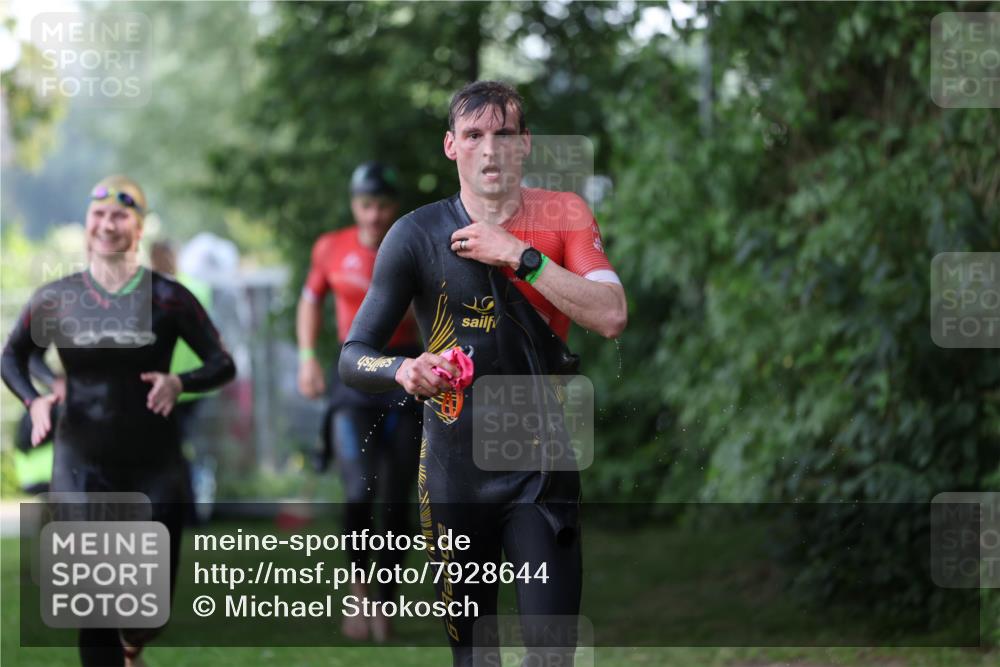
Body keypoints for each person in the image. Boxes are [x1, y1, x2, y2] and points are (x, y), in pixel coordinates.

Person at [338, 81, 627, 666]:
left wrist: (518, 256)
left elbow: (612, 315)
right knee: (477, 658)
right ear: (452, 146)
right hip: (454, 469)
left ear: (525, 144)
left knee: (551, 655)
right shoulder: (415, 235)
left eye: (503, 134)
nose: (489, 150)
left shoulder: (563, 215)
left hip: (542, 463)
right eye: (473, 135)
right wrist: (403, 370)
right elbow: (353, 355)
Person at [1, 175, 236, 667]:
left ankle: (134, 646)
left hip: (155, 463)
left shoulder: (169, 299)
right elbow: (14, 357)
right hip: (80, 460)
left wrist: (179, 382)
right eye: (99, 216)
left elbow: (222, 363)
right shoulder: (57, 298)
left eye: (120, 216)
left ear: (139, 227)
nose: (108, 225)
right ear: (88, 225)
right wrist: (35, 400)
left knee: (146, 612)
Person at [296, 162, 423, 642]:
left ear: (395, 206)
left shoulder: (413, 244)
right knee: (358, 489)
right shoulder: (331, 247)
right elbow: (310, 299)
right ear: (354, 204)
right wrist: (307, 356)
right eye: (366, 205)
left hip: (407, 375)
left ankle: (385, 602)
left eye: (383, 205)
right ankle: (359, 588)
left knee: (395, 496)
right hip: (355, 374)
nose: (374, 215)